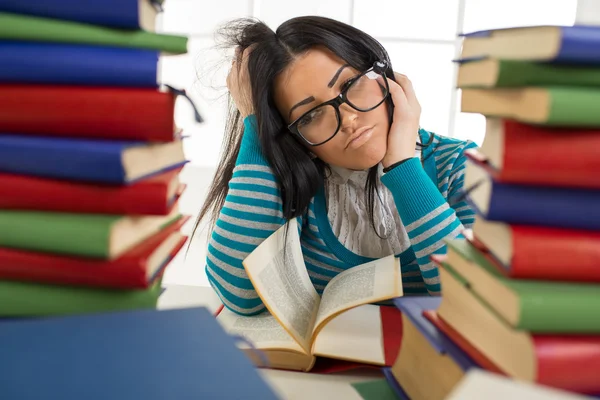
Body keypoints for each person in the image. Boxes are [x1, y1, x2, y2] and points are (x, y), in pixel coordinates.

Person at [195, 16, 477, 315]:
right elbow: (239, 294)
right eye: (311, 115)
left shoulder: (460, 165)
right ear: (297, 138)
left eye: (350, 84)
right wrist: (256, 124)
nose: (348, 118)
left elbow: (475, 306)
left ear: (386, 78)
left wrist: (404, 165)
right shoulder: (298, 185)